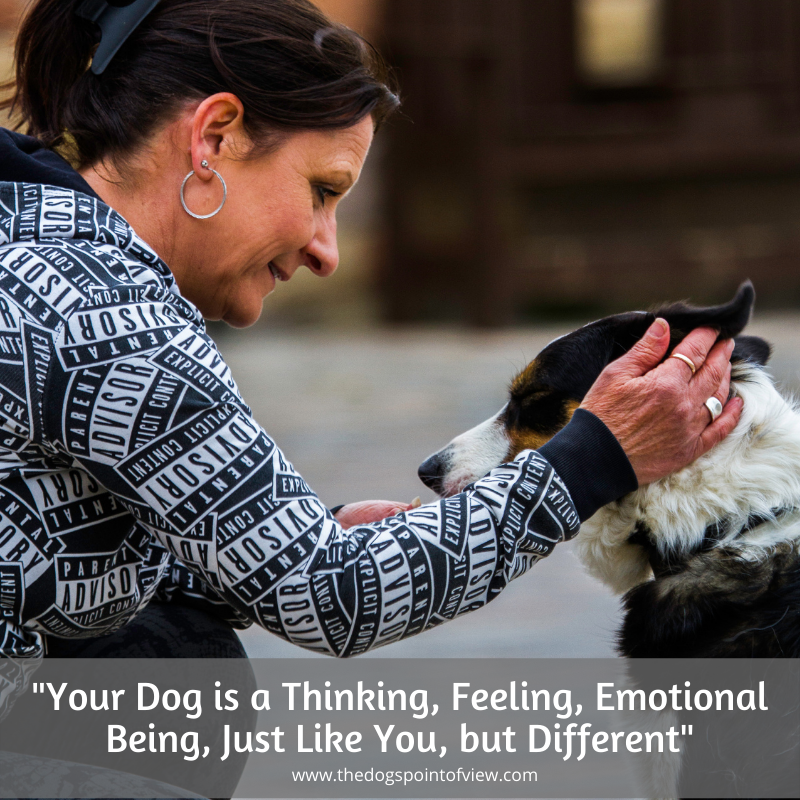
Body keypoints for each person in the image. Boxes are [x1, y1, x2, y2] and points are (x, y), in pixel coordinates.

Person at [0, 0, 741, 667]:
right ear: (214, 137)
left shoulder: (37, 242)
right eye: (321, 191)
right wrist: (594, 457)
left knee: (160, 646)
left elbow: (45, 555)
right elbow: (332, 596)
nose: (328, 252)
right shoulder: (102, 314)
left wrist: (293, 536)